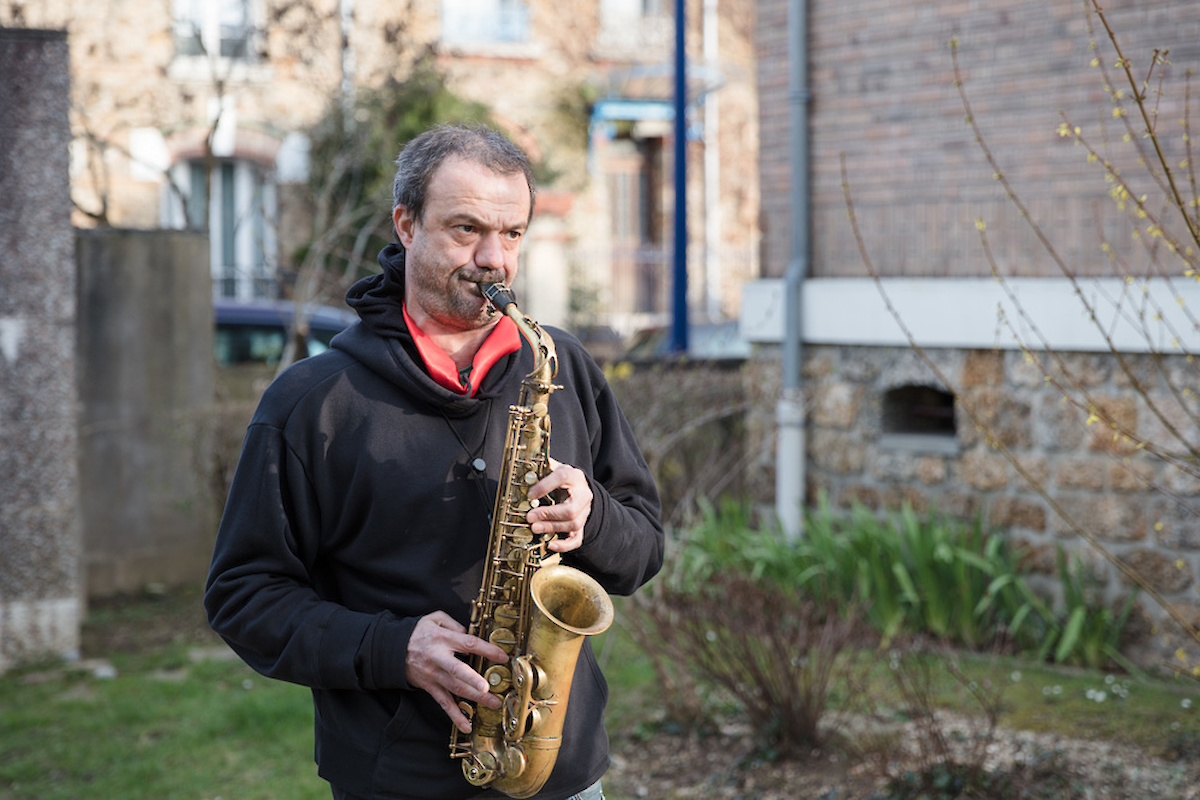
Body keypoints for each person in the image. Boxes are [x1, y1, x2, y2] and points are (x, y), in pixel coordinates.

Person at [204, 123, 664, 800]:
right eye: (465, 229)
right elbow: (242, 596)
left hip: (560, 775)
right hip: (399, 778)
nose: (493, 258)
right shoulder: (313, 402)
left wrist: (593, 521)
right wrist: (394, 649)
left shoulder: (561, 366)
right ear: (407, 224)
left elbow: (645, 546)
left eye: (511, 234)